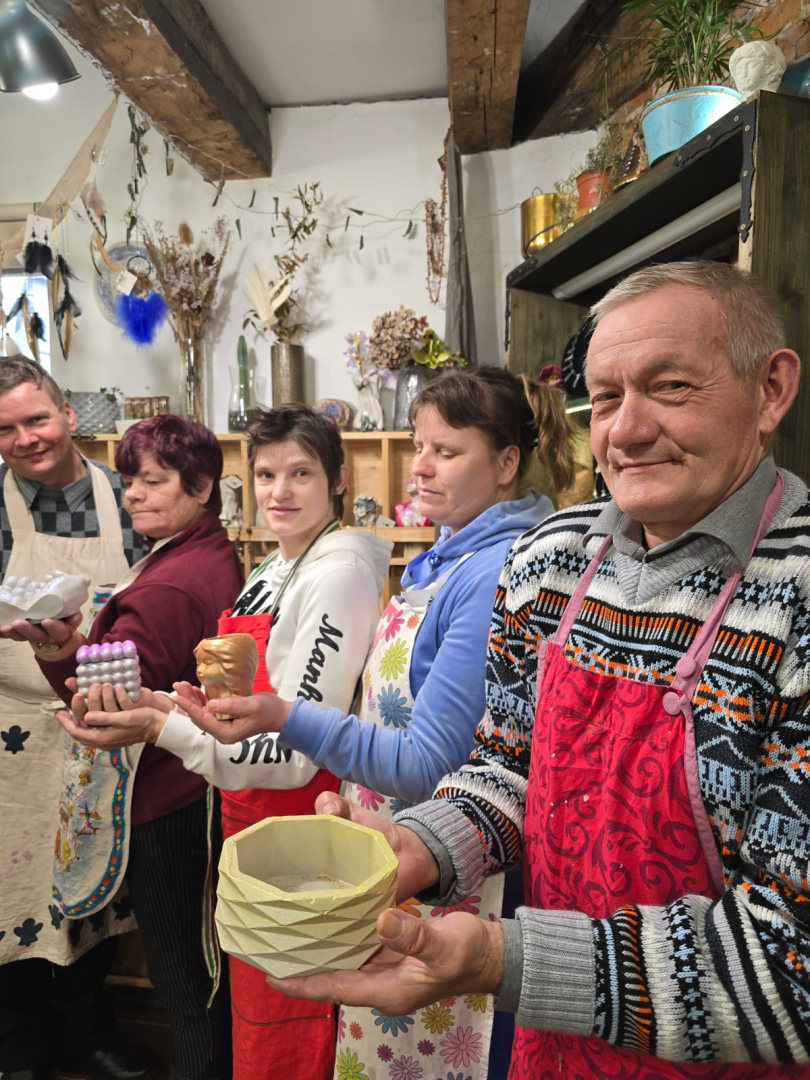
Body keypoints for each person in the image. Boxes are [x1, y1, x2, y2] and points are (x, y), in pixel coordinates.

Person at [228, 261, 810, 1076]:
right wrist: (418, 846)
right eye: (605, 398)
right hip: (555, 1042)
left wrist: (507, 961)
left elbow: (795, 965)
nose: (626, 429)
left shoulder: (796, 603)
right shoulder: (547, 564)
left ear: (771, 388)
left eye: (670, 386)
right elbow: (506, 766)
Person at [66, 368, 577, 1080]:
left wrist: (192, 727)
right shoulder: (432, 555)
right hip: (378, 838)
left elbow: (413, 757)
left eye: (446, 451)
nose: (422, 467)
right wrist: (177, 714)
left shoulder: (469, 570)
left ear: (507, 463)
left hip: (437, 858)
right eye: (420, 446)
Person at [60, 404, 394, 1080]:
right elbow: (236, 706)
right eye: (266, 474)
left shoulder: (338, 574)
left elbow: (295, 750)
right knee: (253, 1016)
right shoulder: (275, 566)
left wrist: (164, 727)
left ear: (336, 480)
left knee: (297, 1022)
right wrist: (170, 704)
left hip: (298, 823)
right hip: (245, 814)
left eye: (301, 473)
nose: (280, 491)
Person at [8, 414, 242, 1080]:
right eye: (131, 480)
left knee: (183, 985)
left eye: (154, 481)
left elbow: (101, 701)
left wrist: (54, 643)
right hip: (196, 790)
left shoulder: (168, 587)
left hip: (165, 801)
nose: (134, 494)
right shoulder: (207, 550)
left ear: (201, 487)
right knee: (204, 972)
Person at [0, 357, 146, 1080]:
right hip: (9, 730)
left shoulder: (126, 496)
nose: (26, 438)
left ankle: (90, 1029)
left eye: (37, 418)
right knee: (13, 885)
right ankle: (18, 1039)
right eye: (6, 428)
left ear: (66, 412)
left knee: (96, 883)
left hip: (102, 717)